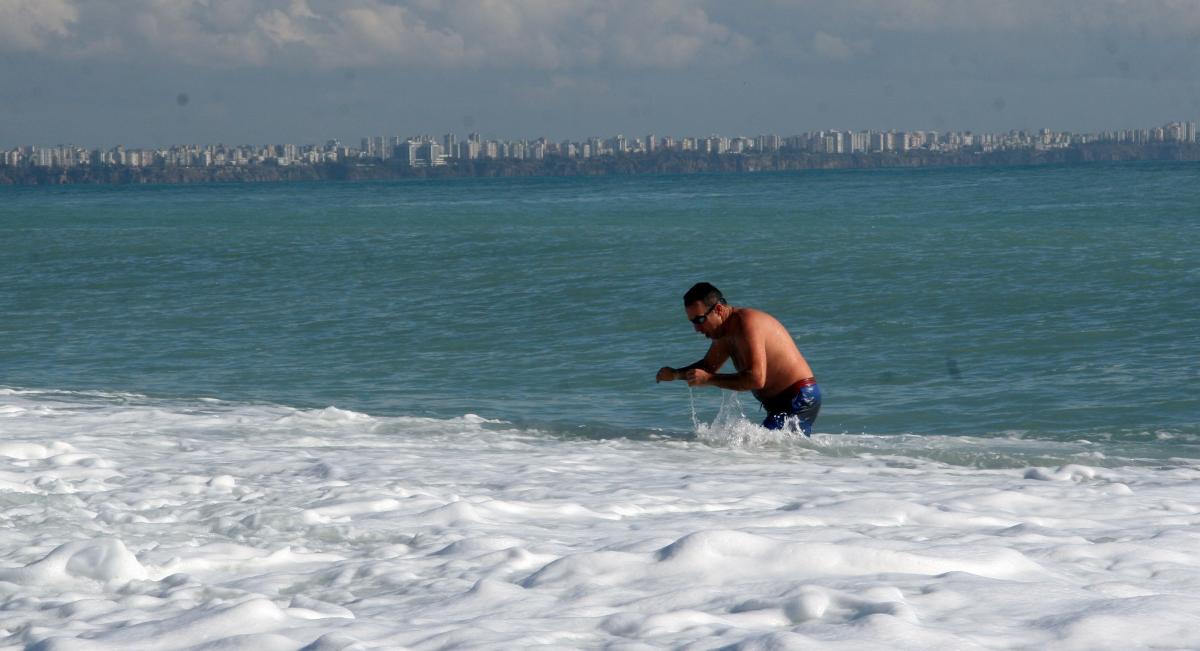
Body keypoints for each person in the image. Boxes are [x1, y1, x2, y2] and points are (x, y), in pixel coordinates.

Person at [656, 282, 821, 435]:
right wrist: (676, 374)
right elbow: (708, 366)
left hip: (799, 397)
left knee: (762, 454)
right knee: (768, 456)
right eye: (692, 322)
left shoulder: (747, 323)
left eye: (700, 320)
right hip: (780, 404)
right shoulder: (724, 334)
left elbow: (756, 379)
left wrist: (709, 379)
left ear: (719, 310)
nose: (696, 328)